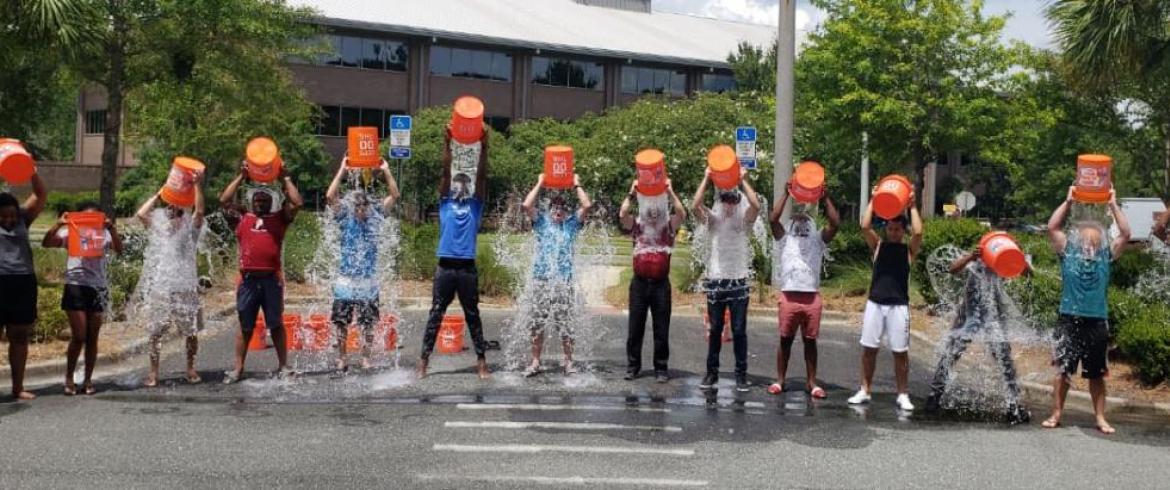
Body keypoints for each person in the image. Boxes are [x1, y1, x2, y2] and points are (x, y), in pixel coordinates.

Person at [1042, 187, 1130, 434]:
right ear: (1078, 241)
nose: (1090, 243)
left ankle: (1100, 417)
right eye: (1085, 240)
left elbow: (1125, 233)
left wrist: (1113, 204)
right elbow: (1052, 228)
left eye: (1094, 240)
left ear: (1100, 241)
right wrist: (1068, 201)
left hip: (1097, 321)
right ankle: (1056, 413)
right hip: (1068, 318)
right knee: (1062, 371)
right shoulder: (1068, 253)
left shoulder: (1106, 256)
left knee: (1097, 374)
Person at [924, 247, 1031, 424]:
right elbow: (952, 269)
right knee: (952, 353)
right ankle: (934, 397)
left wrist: (1019, 256)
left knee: (1004, 358)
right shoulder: (976, 259)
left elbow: (1027, 273)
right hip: (969, 316)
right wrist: (970, 257)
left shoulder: (1003, 261)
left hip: (992, 318)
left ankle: (1013, 405)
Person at [219, 161, 304, 384]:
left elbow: (297, 202)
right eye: (257, 200)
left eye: (265, 200)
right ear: (251, 202)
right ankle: (238, 369)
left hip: (270, 280)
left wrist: (285, 178)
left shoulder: (279, 219)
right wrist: (241, 176)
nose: (261, 202)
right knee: (245, 326)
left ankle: (284, 366)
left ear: (271, 202)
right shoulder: (242, 219)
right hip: (247, 281)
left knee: (275, 324)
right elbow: (224, 201)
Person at [417, 125, 491, 379]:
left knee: (473, 315)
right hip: (445, 266)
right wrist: (447, 144)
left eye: (464, 184)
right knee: (436, 312)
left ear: (468, 189)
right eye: (457, 184)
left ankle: (481, 361)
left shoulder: (475, 206)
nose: (460, 186)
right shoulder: (446, 204)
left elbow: (481, 177)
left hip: (467, 267)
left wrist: (484, 147)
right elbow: (445, 172)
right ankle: (424, 360)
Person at [848, 192, 923, 410]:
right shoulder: (878, 245)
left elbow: (918, 231)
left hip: (898, 306)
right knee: (869, 349)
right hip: (875, 304)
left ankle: (902, 394)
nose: (893, 232)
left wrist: (913, 206)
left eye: (897, 229)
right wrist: (873, 199)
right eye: (890, 229)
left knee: (900, 352)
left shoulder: (908, 250)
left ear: (903, 231)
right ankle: (864, 389)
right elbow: (864, 225)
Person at [325, 158, 399, 372]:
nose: (360, 209)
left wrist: (386, 170)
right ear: (352, 206)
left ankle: (365, 357)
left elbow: (395, 196)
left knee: (368, 324)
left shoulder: (376, 218)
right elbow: (330, 196)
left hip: (368, 281)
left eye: (363, 205)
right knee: (341, 322)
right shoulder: (345, 218)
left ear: (368, 206)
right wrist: (341, 170)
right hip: (346, 281)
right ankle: (342, 357)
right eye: (357, 205)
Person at [43, 203, 125, 396]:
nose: (90, 220)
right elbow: (46, 243)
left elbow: (119, 249)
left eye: (94, 217)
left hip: (97, 286)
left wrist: (111, 228)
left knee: (92, 337)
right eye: (86, 217)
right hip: (75, 285)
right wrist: (58, 225)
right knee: (79, 335)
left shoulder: (103, 234)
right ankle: (69, 377)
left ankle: (88, 379)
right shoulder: (71, 233)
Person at [135, 169, 206, 387]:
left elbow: (200, 212)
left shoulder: (190, 229)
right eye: (169, 205)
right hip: (162, 286)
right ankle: (153, 372)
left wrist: (196, 185)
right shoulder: (159, 228)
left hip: (185, 286)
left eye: (176, 206)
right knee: (156, 331)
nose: (171, 208)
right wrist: (162, 193)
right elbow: (141, 214)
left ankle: (191, 368)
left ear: (183, 211)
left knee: (190, 331)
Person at [767, 183, 839, 398]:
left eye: (805, 220)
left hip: (811, 298)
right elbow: (773, 219)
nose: (801, 220)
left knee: (810, 341)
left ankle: (812, 383)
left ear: (812, 226)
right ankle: (780, 380)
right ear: (790, 226)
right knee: (785, 340)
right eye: (796, 220)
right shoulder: (784, 239)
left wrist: (825, 198)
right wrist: (786, 193)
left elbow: (835, 223)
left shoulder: (818, 240)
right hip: (789, 295)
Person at [693, 167, 761, 392]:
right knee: (715, 330)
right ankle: (711, 373)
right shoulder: (713, 220)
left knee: (739, 330)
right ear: (720, 201)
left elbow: (756, 206)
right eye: (725, 199)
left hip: (739, 280)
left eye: (733, 199)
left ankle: (741, 375)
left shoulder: (744, 221)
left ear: (738, 201)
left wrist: (743, 181)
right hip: (716, 280)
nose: (729, 203)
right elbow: (695, 206)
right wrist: (706, 177)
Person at [520, 174, 592, 377]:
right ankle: (535, 361)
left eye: (562, 207)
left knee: (565, 323)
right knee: (537, 322)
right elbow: (526, 205)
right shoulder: (542, 222)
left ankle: (569, 362)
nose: (558, 210)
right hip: (541, 279)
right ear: (549, 209)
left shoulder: (571, 225)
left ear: (566, 211)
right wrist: (541, 182)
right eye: (554, 207)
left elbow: (586, 206)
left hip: (563, 280)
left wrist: (577, 183)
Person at [619, 178, 686, 382]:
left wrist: (671, 191)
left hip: (660, 285)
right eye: (650, 208)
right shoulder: (637, 224)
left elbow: (682, 213)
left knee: (661, 328)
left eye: (658, 208)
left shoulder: (668, 225)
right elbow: (622, 214)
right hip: (639, 283)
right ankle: (633, 366)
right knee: (635, 327)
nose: (654, 212)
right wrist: (632, 193)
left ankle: (661, 368)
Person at [0, 172, 47, 400]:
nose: (8, 220)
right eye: (3, 217)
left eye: (11, 215)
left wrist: (30, 170)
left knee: (19, 336)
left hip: (23, 283)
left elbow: (40, 194)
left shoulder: (23, 219)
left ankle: (17, 388)